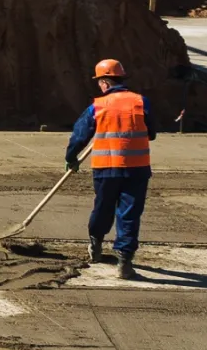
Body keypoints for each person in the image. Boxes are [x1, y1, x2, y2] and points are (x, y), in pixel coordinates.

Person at [66, 57, 154, 279]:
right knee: (129, 214)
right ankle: (125, 261)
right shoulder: (141, 102)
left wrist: (71, 157)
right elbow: (152, 132)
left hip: (106, 168)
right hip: (137, 169)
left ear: (105, 82)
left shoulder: (97, 106)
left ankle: (95, 244)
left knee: (103, 208)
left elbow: (79, 136)